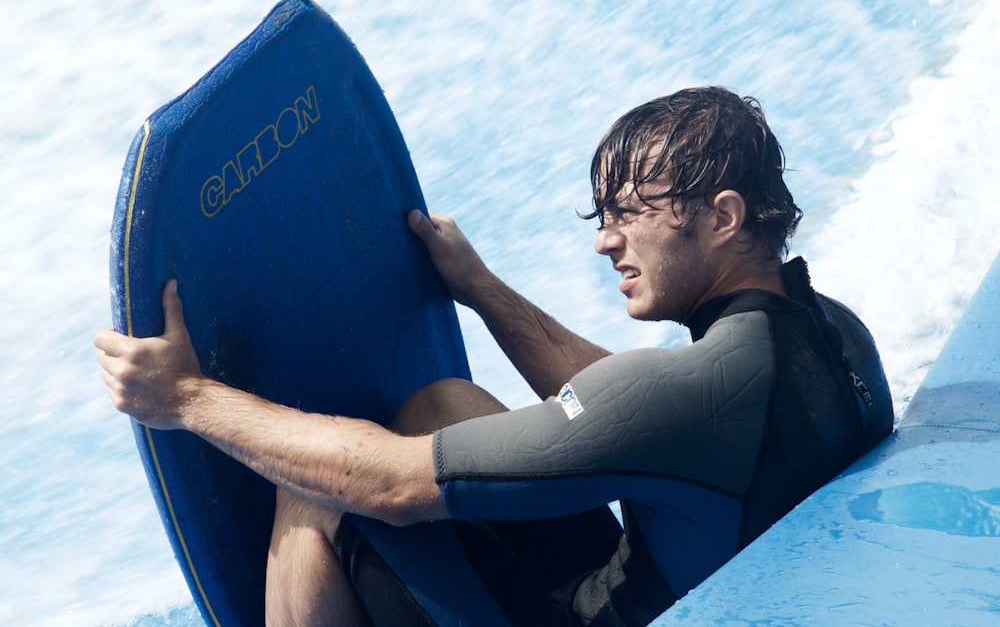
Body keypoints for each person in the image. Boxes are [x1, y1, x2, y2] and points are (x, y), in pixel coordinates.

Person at [95, 86, 894, 626]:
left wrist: (188, 398)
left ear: (723, 217)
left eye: (628, 215)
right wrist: (480, 288)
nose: (605, 240)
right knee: (446, 403)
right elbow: (635, 410)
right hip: (699, 582)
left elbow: (392, 484)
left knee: (319, 484)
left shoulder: (699, 394)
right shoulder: (829, 331)